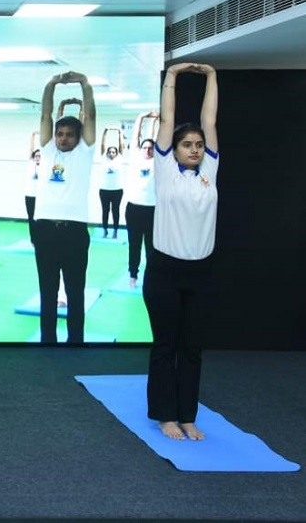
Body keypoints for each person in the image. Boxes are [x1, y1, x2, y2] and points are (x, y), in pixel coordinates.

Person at [144, 63, 219, 441]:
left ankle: (188, 415)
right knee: (166, 346)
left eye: (199, 145)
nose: (194, 149)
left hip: (200, 273)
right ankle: (165, 415)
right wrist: (171, 77)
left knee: (192, 349)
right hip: (165, 272)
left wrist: (212, 77)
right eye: (187, 145)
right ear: (172, 150)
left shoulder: (210, 171)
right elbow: (167, 119)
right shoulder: (165, 171)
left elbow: (210, 121)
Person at [33, 72, 96, 344]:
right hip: (45, 230)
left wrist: (85, 83)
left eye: (69, 134)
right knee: (47, 291)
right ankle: (48, 342)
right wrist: (50, 84)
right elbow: (45, 115)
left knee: (75, 292)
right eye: (60, 134)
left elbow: (90, 116)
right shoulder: (48, 151)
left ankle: (75, 343)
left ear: (78, 137)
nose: (63, 138)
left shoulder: (84, 152)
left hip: (74, 232)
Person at [124, 111, 159, 287]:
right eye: (145, 147)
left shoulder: (157, 161)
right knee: (134, 244)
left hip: (152, 209)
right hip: (134, 208)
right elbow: (136, 136)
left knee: (151, 246)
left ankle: (152, 275)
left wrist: (158, 121)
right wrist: (141, 117)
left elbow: (159, 139)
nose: (147, 150)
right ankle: (133, 274)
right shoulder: (135, 157)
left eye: (150, 148)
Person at [98, 127, 125, 238]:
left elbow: (121, 145)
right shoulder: (104, 158)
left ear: (116, 153)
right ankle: (105, 230)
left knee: (115, 211)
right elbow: (102, 145)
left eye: (114, 152)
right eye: (110, 152)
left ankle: (115, 231)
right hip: (104, 190)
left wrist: (120, 132)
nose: (111, 153)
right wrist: (105, 132)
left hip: (117, 190)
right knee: (105, 211)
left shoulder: (120, 158)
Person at [24, 133, 40, 244]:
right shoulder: (30, 163)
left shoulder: (45, 165)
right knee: (31, 218)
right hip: (30, 195)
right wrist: (33, 136)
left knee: (40, 219)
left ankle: (41, 238)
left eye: (39, 156)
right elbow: (31, 149)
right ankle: (33, 239)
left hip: (41, 196)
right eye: (36, 156)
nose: (38, 158)